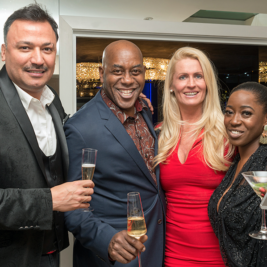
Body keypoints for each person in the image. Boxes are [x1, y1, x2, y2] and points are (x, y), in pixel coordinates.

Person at [0, 4, 94, 267]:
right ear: (4, 52)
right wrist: (50, 200)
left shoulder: (54, 103)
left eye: (47, 48)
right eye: (25, 47)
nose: (38, 59)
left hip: (52, 254)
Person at [64, 40, 166, 267]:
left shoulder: (145, 111)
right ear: (102, 73)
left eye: (135, 72)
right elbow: (74, 208)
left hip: (157, 248)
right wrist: (107, 240)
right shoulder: (81, 128)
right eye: (117, 71)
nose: (128, 80)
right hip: (116, 257)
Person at [154, 47, 234, 266]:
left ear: (207, 83)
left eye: (198, 76)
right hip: (171, 255)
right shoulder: (159, 136)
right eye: (182, 77)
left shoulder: (228, 134)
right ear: (171, 85)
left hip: (219, 256)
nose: (191, 84)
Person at [208, 82, 267, 267]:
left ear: (266, 119)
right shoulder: (234, 163)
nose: (234, 120)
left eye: (246, 113)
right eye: (229, 112)